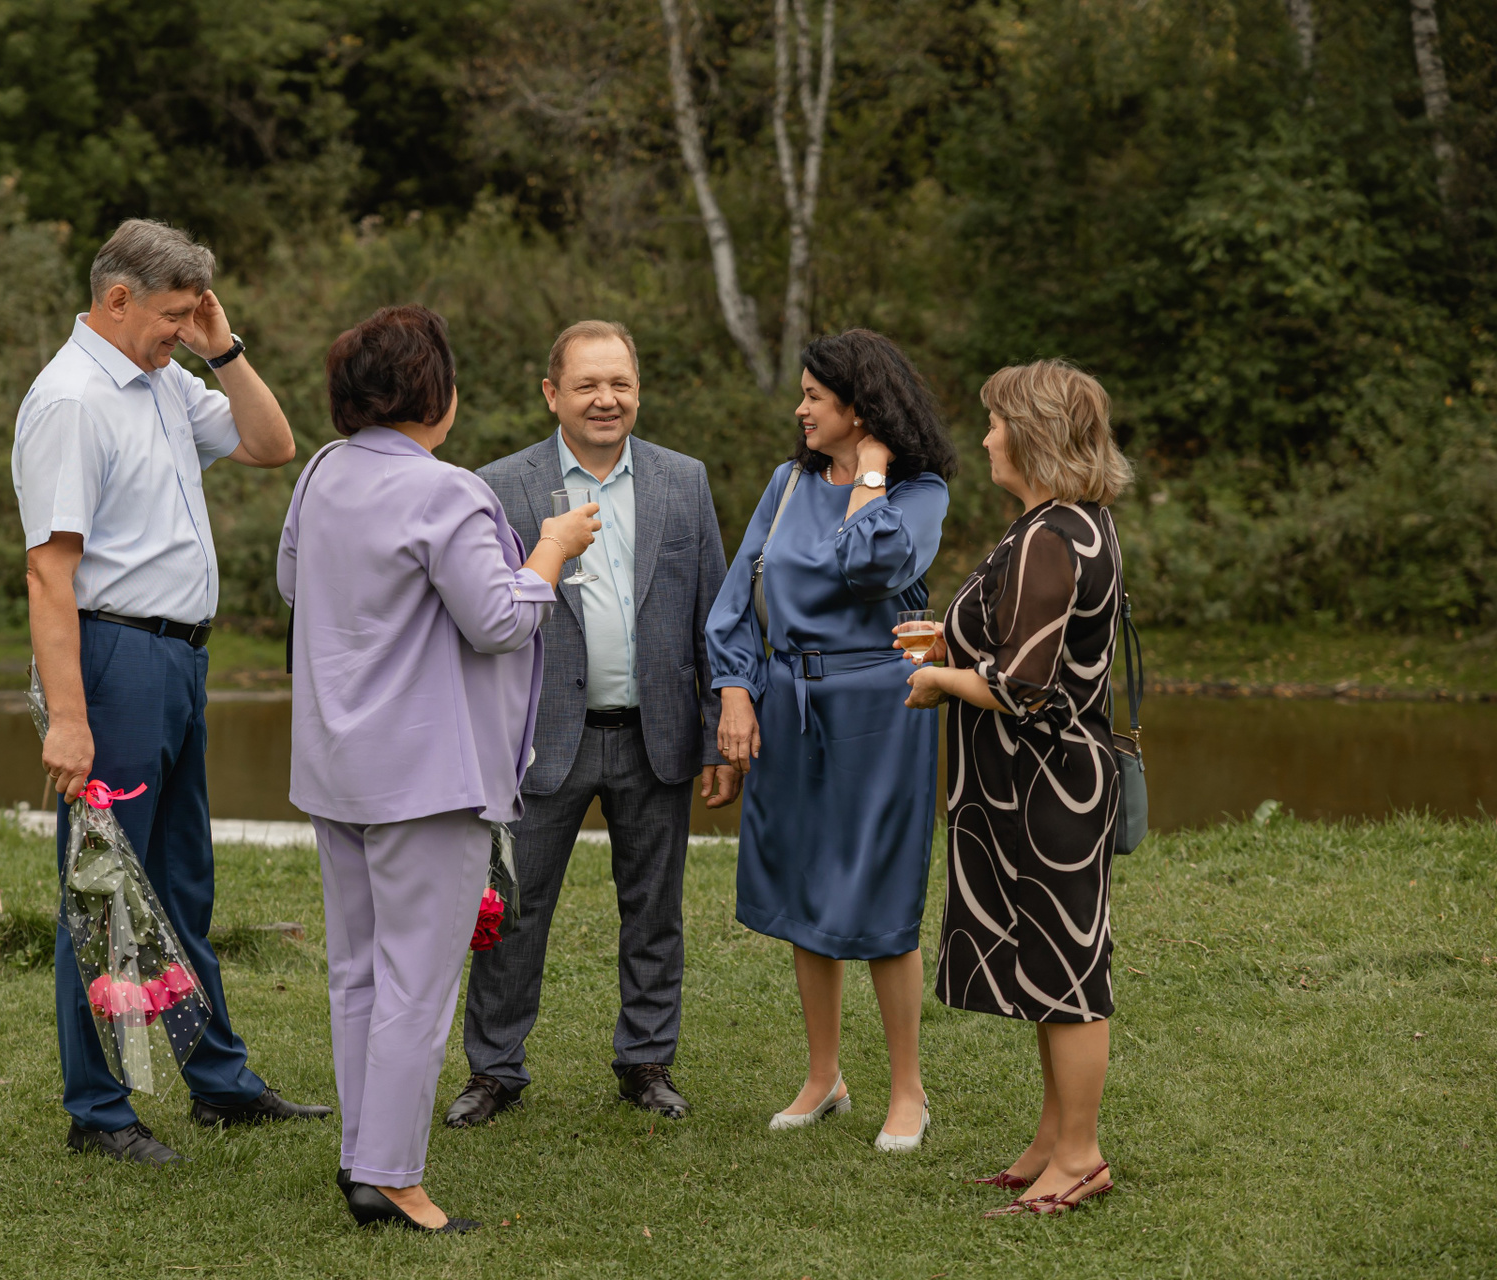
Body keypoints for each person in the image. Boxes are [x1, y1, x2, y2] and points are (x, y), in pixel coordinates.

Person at [14, 219, 329, 1164]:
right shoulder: (70, 400)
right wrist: (70, 719)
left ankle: (218, 1083)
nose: (179, 331)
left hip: (181, 661)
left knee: (183, 882)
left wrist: (220, 348)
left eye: (193, 314)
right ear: (118, 300)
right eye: (172, 315)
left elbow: (272, 443)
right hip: (115, 662)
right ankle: (99, 1112)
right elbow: (48, 573)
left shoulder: (162, 379)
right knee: (106, 886)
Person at [279, 305, 599, 1232]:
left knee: (358, 974)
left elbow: (294, 586)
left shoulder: (321, 473)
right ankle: (391, 1177)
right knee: (415, 985)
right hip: (426, 775)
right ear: (437, 394)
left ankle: (362, 1156)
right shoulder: (446, 492)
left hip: (335, 765)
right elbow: (497, 619)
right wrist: (552, 549)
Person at [448, 321, 735, 1128]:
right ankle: (495, 1069)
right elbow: (480, 619)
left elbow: (713, 616)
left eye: (620, 384)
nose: (606, 399)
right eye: (587, 385)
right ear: (552, 394)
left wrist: (717, 725)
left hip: (656, 734)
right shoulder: (499, 485)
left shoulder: (683, 481)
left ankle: (647, 1061)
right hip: (540, 739)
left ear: (638, 390)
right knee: (514, 910)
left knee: (654, 911)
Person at [705, 328, 955, 1146]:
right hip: (789, 702)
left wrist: (872, 472)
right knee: (802, 887)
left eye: (815, 396)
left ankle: (908, 1091)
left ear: (861, 406)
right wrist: (736, 690)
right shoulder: (787, 484)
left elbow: (871, 566)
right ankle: (824, 1077)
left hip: (881, 709)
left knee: (880, 890)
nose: (801, 409)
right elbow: (737, 599)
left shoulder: (919, 492)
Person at [903, 359, 1130, 1216]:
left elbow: (1025, 687)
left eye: (998, 422)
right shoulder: (1067, 523)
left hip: (1048, 789)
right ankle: (1049, 1143)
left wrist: (940, 680)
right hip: (1033, 784)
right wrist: (953, 645)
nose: (986, 436)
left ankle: (1080, 1158)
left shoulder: (1051, 534)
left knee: (1068, 974)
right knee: (1046, 963)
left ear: (1032, 435)